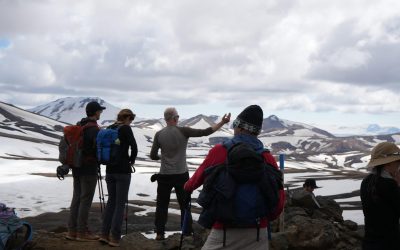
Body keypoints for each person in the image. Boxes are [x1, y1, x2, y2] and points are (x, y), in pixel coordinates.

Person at [184, 105, 285, 250]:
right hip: (258, 231)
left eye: (235, 126)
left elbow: (194, 182)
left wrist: (186, 187)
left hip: (224, 230)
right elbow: (279, 199)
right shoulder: (266, 157)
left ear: (241, 128)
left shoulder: (220, 151)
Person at [150, 107, 231, 240]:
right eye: (178, 116)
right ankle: (186, 233)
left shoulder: (159, 134)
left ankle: (159, 233)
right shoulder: (183, 131)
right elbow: (206, 132)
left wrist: (162, 157)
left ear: (166, 119)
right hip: (181, 174)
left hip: (164, 175)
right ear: (175, 118)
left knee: (162, 205)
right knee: (184, 204)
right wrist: (222, 122)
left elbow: (153, 155)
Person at [66, 101, 105, 241]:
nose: (101, 113)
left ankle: (72, 231)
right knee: (85, 200)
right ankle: (82, 232)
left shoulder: (80, 125)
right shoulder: (94, 129)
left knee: (76, 198)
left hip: (76, 167)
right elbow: (93, 150)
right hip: (89, 169)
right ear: (95, 112)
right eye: (100, 111)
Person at [99, 109, 138, 247]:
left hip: (109, 171)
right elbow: (134, 147)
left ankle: (104, 234)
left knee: (111, 202)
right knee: (120, 205)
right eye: (131, 118)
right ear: (126, 117)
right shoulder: (125, 128)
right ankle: (115, 237)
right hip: (122, 171)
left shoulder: (110, 128)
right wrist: (131, 161)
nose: (131, 121)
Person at [360, 142, 400, 250]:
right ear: (388, 163)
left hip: (369, 242)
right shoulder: (389, 184)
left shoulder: (366, 181)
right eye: (397, 161)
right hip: (388, 243)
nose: (399, 165)